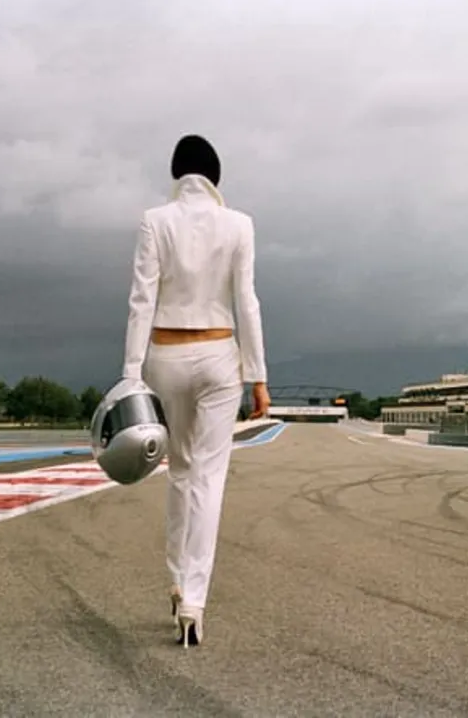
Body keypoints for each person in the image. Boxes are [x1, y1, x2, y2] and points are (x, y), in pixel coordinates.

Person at [121, 134, 271, 647]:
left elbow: (141, 300)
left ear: (176, 174)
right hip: (219, 356)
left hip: (165, 355)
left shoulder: (154, 221)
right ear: (215, 178)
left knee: (180, 473)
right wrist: (258, 375)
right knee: (209, 478)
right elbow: (247, 301)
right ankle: (194, 600)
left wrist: (131, 372)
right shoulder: (239, 224)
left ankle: (176, 578)